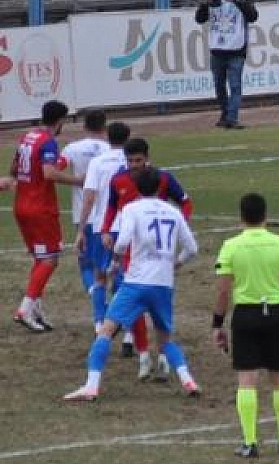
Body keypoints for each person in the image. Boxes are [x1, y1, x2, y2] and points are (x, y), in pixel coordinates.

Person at [63, 167, 201, 401]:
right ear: (160, 187)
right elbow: (192, 249)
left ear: (136, 186)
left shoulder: (131, 209)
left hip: (136, 282)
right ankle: (188, 380)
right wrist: (175, 264)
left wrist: (116, 260)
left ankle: (91, 385)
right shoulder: (172, 211)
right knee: (166, 340)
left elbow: (122, 241)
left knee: (106, 332)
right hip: (163, 284)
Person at [211, 192, 279, 459]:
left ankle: (250, 443)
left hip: (245, 316)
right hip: (275, 314)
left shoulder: (230, 246)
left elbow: (223, 292)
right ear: (266, 216)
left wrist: (217, 324)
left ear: (241, 217)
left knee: (247, 380)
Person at [101, 136, 194, 380]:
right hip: (129, 251)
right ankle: (143, 355)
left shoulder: (162, 179)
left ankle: (162, 356)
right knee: (136, 306)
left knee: (156, 303)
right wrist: (106, 230)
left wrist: (179, 225)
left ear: (147, 158)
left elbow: (185, 202)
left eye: (138, 160)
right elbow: (112, 207)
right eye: (129, 160)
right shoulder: (118, 180)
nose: (133, 165)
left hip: (156, 252)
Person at [11, 100, 82, 332]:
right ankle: (24, 309)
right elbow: (49, 173)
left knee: (40, 259)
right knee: (50, 259)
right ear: (60, 120)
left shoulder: (28, 137)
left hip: (21, 205)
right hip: (40, 208)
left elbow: (14, 169)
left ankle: (35, 311)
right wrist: (78, 181)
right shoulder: (48, 141)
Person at [77, 122, 132, 344]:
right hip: (130, 226)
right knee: (128, 277)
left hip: (104, 227)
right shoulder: (136, 161)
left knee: (100, 276)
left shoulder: (98, 162)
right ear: (128, 138)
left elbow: (89, 196)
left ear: (108, 138)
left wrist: (81, 229)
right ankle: (128, 331)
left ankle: (100, 324)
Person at [58, 109, 112, 329]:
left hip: (83, 213)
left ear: (84, 126)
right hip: (107, 216)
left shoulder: (73, 148)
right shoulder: (111, 149)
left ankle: (95, 295)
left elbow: (56, 168)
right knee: (109, 264)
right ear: (104, 127)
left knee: (85, 264)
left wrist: (75, 180)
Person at [194, 0, 259, 129]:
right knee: (219, 86)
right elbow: (199, 19)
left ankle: (232, 117)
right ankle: (225, 114)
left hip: (236, 50)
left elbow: (253, 17)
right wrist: (204, 5)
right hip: (217, 49)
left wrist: (240, 2)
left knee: (235, 85)